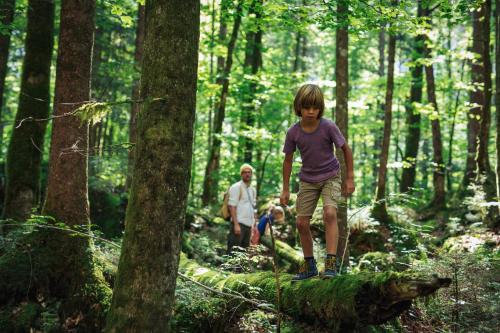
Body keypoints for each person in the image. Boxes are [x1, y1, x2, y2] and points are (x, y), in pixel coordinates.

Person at [280, 84, 355, 281]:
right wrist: (285, 189)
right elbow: (287, 160)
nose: (311, 112)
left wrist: (350, 178)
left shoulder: (328, 126)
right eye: (307, 108)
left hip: (331, 175)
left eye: (315, 108)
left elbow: (346, 149)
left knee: (330, 213)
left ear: (320, 108)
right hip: (307, 180)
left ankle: (331, 263)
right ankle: (310, 265)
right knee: (301, 223)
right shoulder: (293, 132)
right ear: (299, 108)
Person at [227, 164, 257, 254]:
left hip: (248, 225)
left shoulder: (252, 190)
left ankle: (239, 269)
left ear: (251, 174)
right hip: (238, 224)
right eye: (245, 172)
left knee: (243, 253)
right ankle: (228, 268)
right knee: (233, 251)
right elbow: (232, 206)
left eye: (249, 172)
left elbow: (253, 208)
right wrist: (236, 224)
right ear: (241, 174)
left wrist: (254, 225)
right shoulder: (236, 187)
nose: (247, 174)